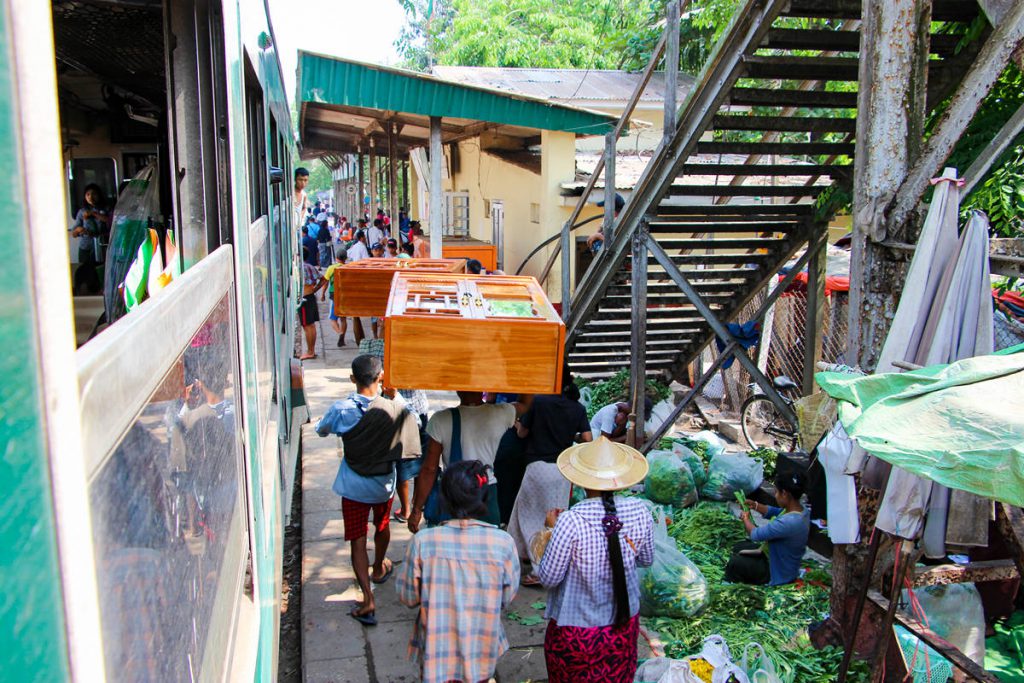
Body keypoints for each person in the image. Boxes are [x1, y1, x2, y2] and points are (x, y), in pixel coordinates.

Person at [535, 438, 654, 683]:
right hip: (624, 624)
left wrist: (549, 531)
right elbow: (646, 559)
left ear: (580, 479)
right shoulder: (640, 511)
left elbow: (549, 578)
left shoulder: (571, 520)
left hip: (577, 633)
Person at [317, 354, 421, 626]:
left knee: (357, 539)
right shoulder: (394, 408)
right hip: (383, 486)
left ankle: (367, 598)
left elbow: (321, 430)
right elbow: (416, 423)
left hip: (353, 487)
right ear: (381, 378)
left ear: (352, 379)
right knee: (382, 526)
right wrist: (395, 397)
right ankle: (378, 567)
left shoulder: (342, 410)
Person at [396, 460, 520, 683]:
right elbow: (506, 597)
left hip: (436, 653)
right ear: (484, 497)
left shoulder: (423, 543)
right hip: (482, 652)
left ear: (445, 497)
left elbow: (408, 597)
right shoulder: (503, 544)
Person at [408, 392, 532, 533]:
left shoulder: (440, 420)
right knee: (488, 545)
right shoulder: (502, 413)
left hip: (453, 494)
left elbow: (429, 469)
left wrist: (417, 510)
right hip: (486, 491)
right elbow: (525, 404)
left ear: (458, 389)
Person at [500, 373, 592, 533]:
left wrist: (515, 423)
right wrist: (571, 435)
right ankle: (552, 552)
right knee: (556, 518)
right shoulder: (578, 407)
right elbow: (587, 439)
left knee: (528, 515)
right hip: (563, 472)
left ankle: (528, 554)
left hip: (537, 468)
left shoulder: (538, 401)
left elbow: (522, 433)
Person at [726, 472, 810, 586]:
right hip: (778, 557)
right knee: (739, 547)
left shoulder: (788, 522)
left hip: (777, 571)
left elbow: (755, 534)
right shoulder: (801, 511)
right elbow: (775, 512)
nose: (775, 496)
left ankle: (735, 585)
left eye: (776, 492)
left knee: (735, 564)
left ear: (784, 493)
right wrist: (755, 505)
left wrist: (746, 519)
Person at [71, 183, 110, 294]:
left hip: (102, 246)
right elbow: (74, 233)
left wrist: (94, 214)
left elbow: (109, 221)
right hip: (86, 247)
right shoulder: (81, 212)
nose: (91, 197)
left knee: (101, 271)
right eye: (88, 194)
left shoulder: (106, 209)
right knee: (86, 272)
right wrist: (79, 230)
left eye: (94, 194)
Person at [321, 246, 348, 347]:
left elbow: (325, 283)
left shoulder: (331, 268)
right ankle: (342, 339)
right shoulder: (347, 268)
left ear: (336, 258)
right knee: (343, 319)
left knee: (333, 319)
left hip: (334, 295)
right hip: (344, 295)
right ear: (345, 258)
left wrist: (323, 294)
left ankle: (340, 332)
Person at [298, 247, 322, 360]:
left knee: (307, 326)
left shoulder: (299, 268)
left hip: (304, 299)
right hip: (311, 296)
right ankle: (311, 350)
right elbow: (323, 279)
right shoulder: (310, 267)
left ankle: (310, 351)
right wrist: (315, 289)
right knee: (311, 325)